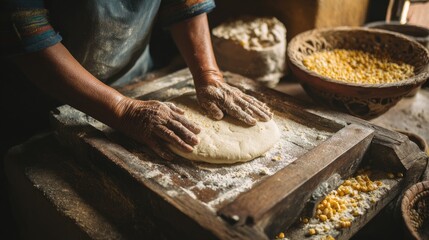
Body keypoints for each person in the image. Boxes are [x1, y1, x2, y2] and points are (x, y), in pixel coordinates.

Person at [1, 0, 273, 160]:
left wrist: (208, 75)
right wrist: (123, 109)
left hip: (137, 76)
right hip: (45, 95)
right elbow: (26, 31)